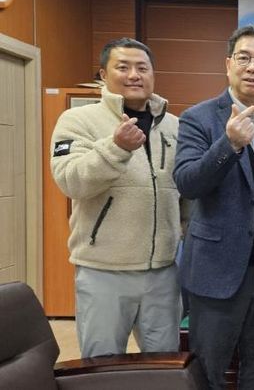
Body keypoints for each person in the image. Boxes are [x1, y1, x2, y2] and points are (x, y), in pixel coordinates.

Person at [173, 25, 254, 390]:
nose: (252, 67)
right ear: (228, 64)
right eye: (244, 58)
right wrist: (228, 145)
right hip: (217, 271)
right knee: (209, 371)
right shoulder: (198, 118)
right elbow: (187, 183)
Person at [50, 37, 182, 358]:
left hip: (162, 272)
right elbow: (70, 181)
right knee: (102, 365)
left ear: (153, 74)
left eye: (142, 68)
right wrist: (116, 148)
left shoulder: (174, 126)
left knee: (164, 364)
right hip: (103, 270)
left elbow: (185, 193)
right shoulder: (78, 120)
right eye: (123, 67)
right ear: (103, 74)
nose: (134, 75)